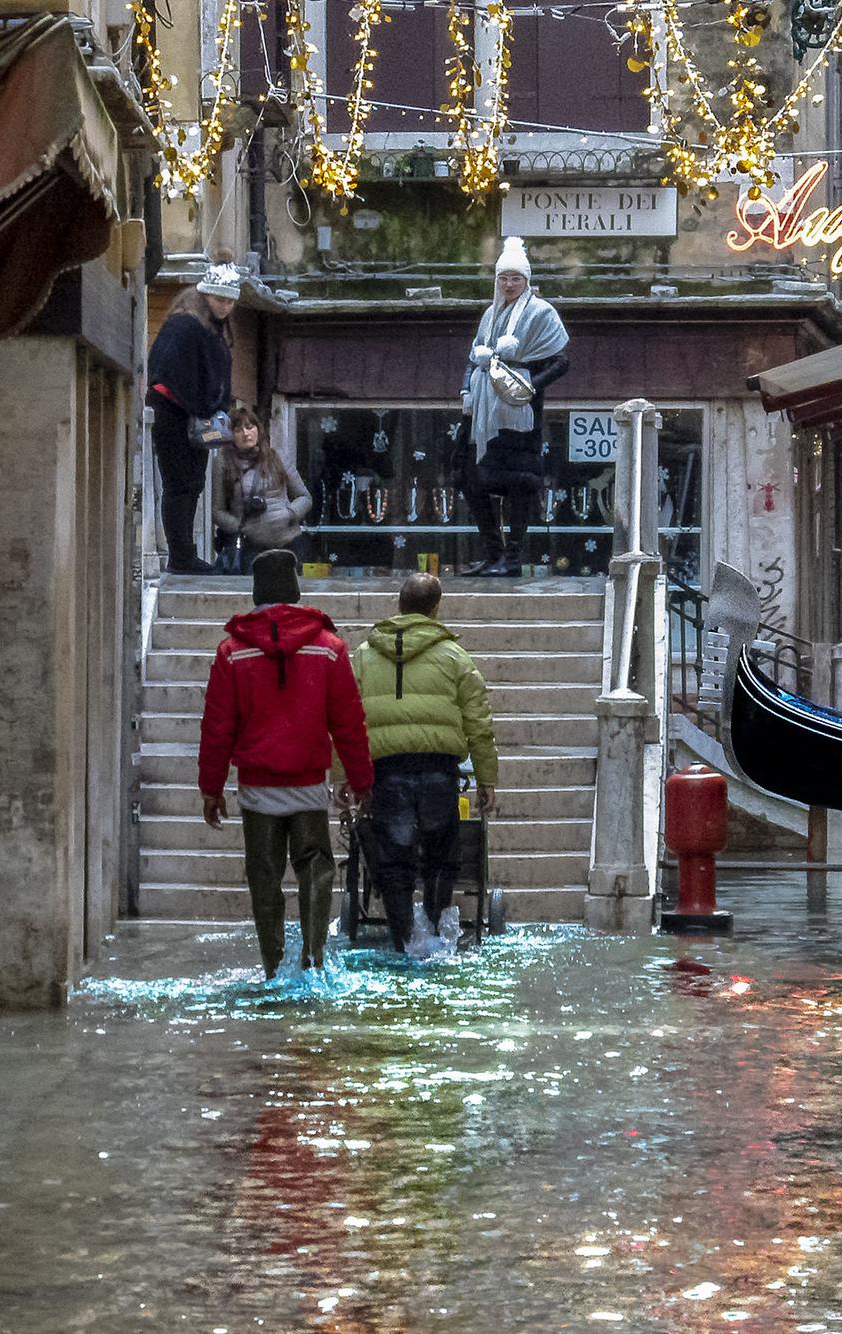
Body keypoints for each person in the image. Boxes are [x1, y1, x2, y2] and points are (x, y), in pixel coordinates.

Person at [199, 549, 375, 978]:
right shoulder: (329, 649)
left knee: (264, 877)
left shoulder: (232, 653)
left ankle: (273, 966)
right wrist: (360, 778)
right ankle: (313, 960)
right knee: (315, 869)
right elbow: (348, 721)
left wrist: (211, 786)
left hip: (258, 790)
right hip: (308, 786)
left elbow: (218, 725)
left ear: (256, 591)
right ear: (295, 589)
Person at [350, 573, 500, 952]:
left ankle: (403, 940)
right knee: (440, 854)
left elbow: (346, 720)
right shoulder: (454, 657)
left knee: (393, 860)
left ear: (399, 607)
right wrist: (486, 778)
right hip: (438, 770)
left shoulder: (365, 655)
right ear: (436, 609)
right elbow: (479, 723)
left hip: (386, 771)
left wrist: (345, 776)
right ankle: (434, 934)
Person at [456, 236, 570, 577]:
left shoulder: (541, 312)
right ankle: (494, 553)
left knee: (519, 484)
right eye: (504, 278)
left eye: (515, 278)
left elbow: (561, 361)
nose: (509, 284)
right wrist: (465, 390)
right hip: (480, 413)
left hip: (519, 416)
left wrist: (529, 386)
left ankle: (513, 558)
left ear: (527, 280)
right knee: (469, 478)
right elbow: (473, 356)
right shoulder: (490, 315)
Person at [148, 264, 240, 574]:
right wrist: (198, 407)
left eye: (230, 301)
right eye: (220, 299)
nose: (225, 306)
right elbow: (164, 373)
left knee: (192, 485)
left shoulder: (210, 328)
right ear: (206, 296)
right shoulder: (186, 326)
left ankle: (184, 554)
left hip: (194, 415)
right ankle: (181, 556)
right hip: (176, 414)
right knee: (180, 485)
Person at [213, 406, 312, 572]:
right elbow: (217, 511)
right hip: (250, 548)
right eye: (238, 430)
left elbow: (304, 497)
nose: (245, 434)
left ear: (258, 429)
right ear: (231, 435)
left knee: (290, 596)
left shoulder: (277, 457)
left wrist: (289, 514)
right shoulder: (223, 463)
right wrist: (239, 526)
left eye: (250, 427)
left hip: (289, 543)